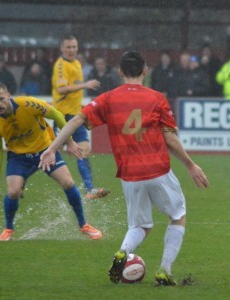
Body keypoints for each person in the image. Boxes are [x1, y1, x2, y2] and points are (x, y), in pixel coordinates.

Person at [40, 51, 209, 286]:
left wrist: (52, 148)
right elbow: (170, 138)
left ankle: (122, 252)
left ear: (120, 72)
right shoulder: (157, 98)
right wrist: (190, 165)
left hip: (130, 175)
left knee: (140, 226)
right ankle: (164, 270)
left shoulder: (108, 99)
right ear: (145, 71)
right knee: (178, 216)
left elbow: (76, 120)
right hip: (158, 169)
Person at [0, 82, 102, 241]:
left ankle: (84, 225)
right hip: (18, 157)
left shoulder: (29, 104)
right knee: (13, 192)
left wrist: (68, 141)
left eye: (1, 99)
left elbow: (57, 115)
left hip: (45, 151)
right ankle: (8, 229)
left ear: (8, 95)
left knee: (68, 182)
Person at [52, 35, 110, 200]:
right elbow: (62, 90)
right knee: (49, 152)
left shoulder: (77, 64)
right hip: (62, 116)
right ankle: (20, 181)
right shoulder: (61, 65)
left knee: (84, 150)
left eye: (74, 47)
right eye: (68, 47)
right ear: (62, 49)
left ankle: (89, 190)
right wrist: (84, 85)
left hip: (76, 116)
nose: (71, 50)